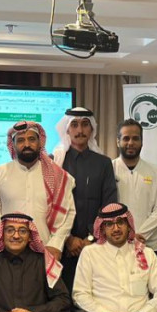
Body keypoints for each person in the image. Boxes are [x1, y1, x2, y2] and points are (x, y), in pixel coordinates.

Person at [0, 120, 76, 260]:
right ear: (13, 145)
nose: (27, 144)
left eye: (32, 139)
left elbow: (68, 214)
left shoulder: (58, 176)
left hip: (45, 252)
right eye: (20, 140)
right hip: (7, 253)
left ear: (40, 143)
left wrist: (56, 244)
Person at [53, 107, 117, 291]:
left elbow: (109, 205)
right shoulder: (55, 162)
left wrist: (91, 238)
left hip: (96, 246)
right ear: (66, 129)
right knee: (63, 298)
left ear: (92, 129)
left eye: (84, 125)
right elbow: (49, 207)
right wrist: (68, 239)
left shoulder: (104, 163)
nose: (79, 130)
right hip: (62, 246)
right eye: (74, 125)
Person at [112, 119, 157, 261]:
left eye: (135, 138)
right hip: (117, 247)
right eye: (126, 138)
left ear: (142, 142)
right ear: (118, 141)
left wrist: (140, 235)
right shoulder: (109, 169)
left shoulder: (155, 171)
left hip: (149, 246)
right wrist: (126, 236)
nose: (131, 143)